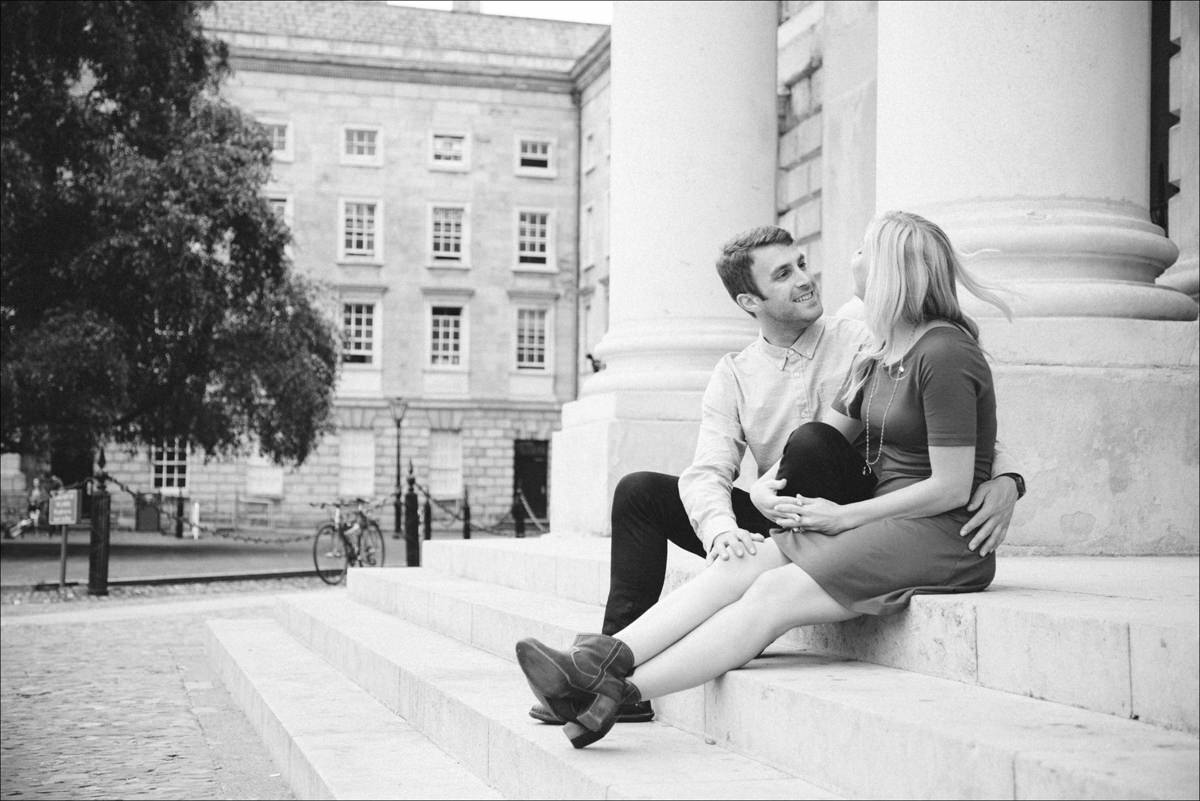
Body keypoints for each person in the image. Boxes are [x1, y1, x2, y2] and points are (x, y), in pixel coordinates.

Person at [516, 210, 1017, 748]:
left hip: (923, 524)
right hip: (837, 512)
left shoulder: (933, 350)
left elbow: (954, 473)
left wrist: (1008, 479)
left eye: (860, 251)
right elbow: (813, 433)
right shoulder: (872, 353)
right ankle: (597, 664)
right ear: (749, 301)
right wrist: (743, 505)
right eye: (785, 273)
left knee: (772, 584)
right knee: (719, 545)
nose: (820, 272)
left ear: (891, 269)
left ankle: (611, 692)